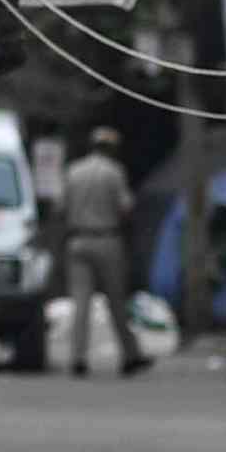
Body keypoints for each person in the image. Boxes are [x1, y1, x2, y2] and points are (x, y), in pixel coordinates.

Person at [53, 124, 144, 379]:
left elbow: (60, 208)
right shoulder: (114, 172)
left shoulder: (73, 171)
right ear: (112, 149)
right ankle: (130, 355)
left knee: (80, 303)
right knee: (116, 301)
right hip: (107, 239)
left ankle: (78, 358)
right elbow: (126, 207)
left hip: (77, 240)